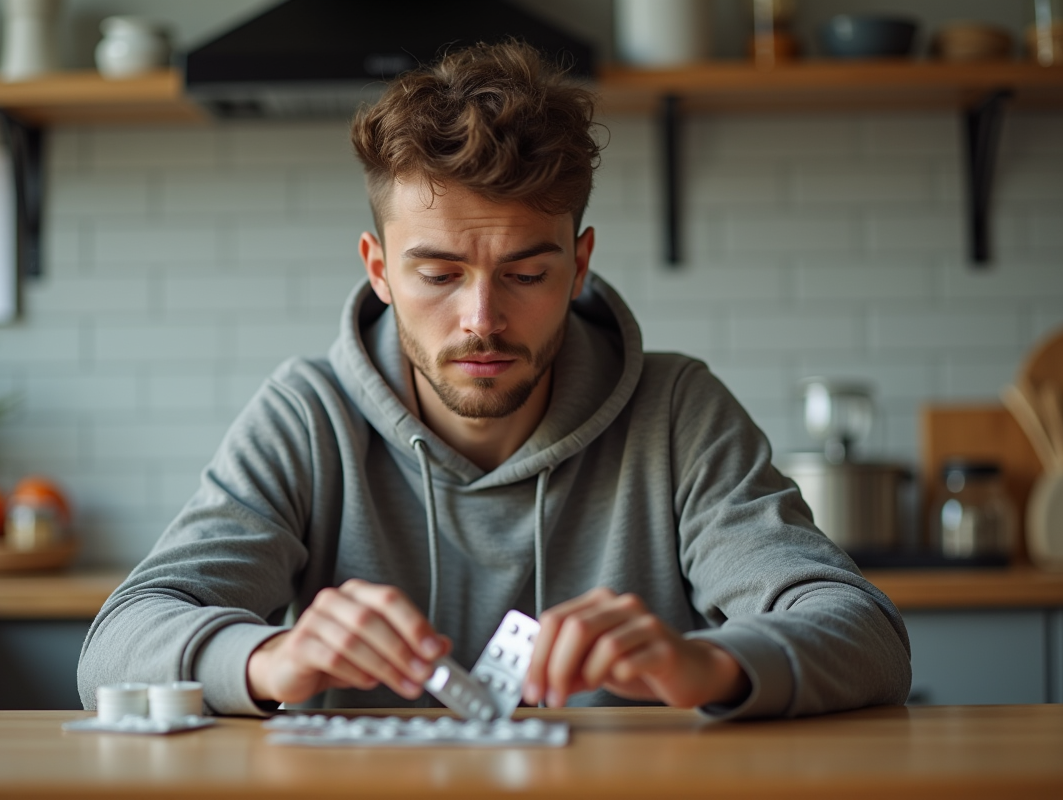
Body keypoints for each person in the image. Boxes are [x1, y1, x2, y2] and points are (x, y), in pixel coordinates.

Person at [78, 41, 911, 720]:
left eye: (525, 273)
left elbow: (868, 636)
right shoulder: (307, 416)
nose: (481, 319)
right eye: (437, 274)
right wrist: (267, 658)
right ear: (379, 271)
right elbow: (117, 646)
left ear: (579, 265)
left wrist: (709, 664)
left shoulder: (677, 411)